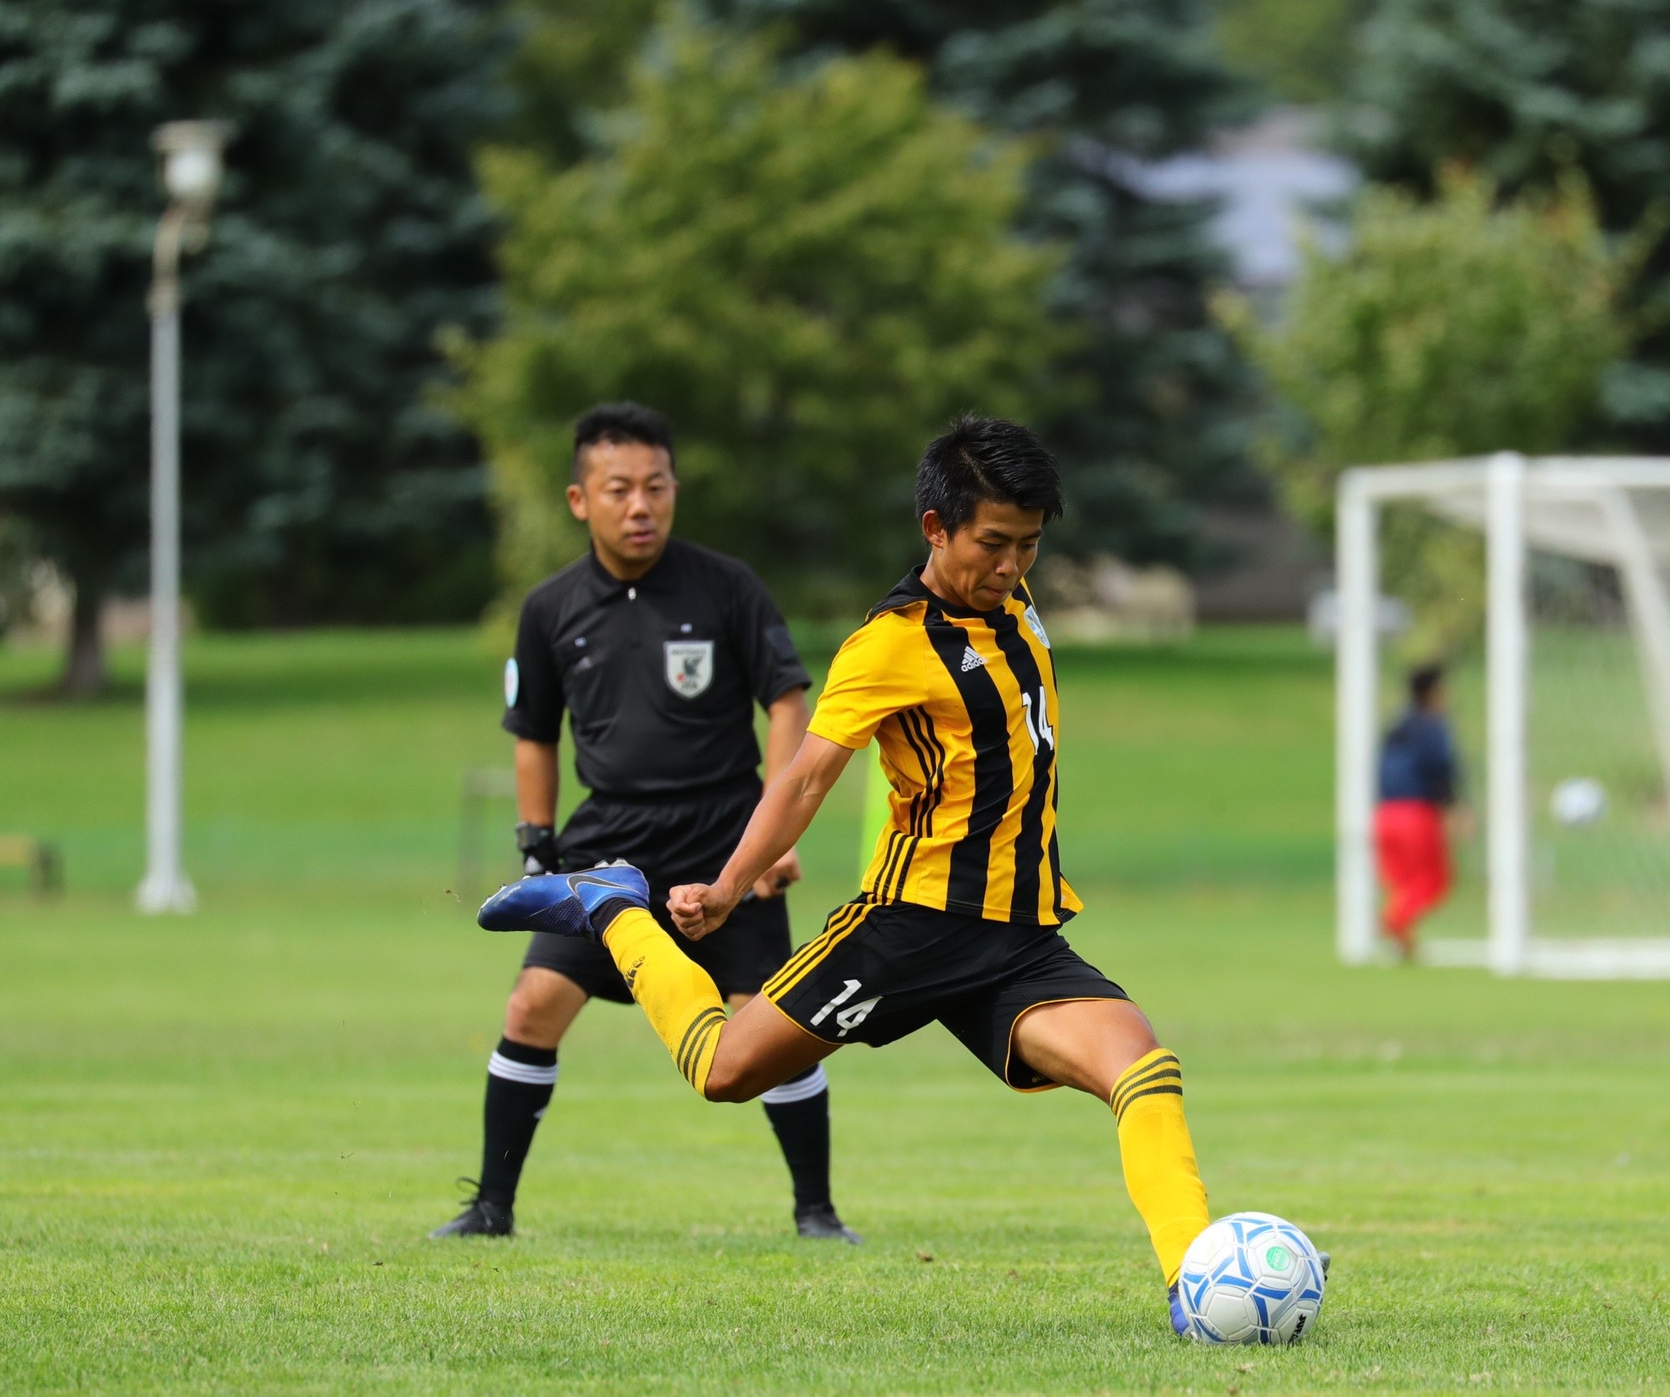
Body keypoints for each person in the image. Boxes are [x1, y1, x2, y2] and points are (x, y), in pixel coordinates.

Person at [475, 414, 1215, 1330]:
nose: (1011, 564)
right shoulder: (888, 645)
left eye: (1028, 545)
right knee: (723, 1070)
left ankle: (1198, 1280)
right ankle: (613, 907)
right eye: (992, 544)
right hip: (909, 928)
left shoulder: (1017, 605)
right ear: (936, 529)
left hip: (1020, 939)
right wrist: (730, 885)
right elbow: (804, 779)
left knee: (1143, 1069)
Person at [432, 402, 858, 1243]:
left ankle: (817, 1213)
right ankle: (490, 1209)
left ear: (674, 491)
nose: (640, 506)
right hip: (606, 850)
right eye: (619, 488)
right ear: (578, 500)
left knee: (770, 1026)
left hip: (725, 840)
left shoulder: (727, 587)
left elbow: (787, 701)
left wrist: (775, 835)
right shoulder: (550, 607)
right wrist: (536, 848)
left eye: (656, 487)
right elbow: (532, 735)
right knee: (532, 1005)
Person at [1376, 663, 1465, 960]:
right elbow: (1440, 770)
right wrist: (1455, 808)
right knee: (1434, 882)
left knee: (1403, 886)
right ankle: (1389, 923)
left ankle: (1404, 945)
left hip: (1384, 814)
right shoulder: (1433, 727)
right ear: (1433, 691)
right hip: (1415, 814)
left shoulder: (1395, 726)